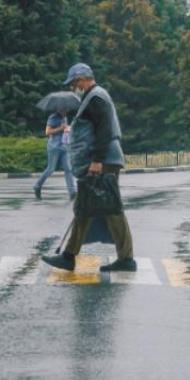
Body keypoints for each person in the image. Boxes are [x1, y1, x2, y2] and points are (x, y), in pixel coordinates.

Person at [41, 63, 137, 273]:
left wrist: (97, 161)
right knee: (86, 207)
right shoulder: (92, 97)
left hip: (103, 161)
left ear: (82, 80)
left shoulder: (96, 97)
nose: (73, 88)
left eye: (74, 83)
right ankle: (69, 256)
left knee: (110, 208)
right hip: (101, 160)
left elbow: (104, 130)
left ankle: (125, 258)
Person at [33, 108, 76, 201]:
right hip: (54, 147)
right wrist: (60, 128)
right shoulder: (53, 117)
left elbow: (65, 131)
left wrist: (68, 129)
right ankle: (37, 185)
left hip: (64, 147)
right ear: (59, 109)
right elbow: (47, 132)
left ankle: (72, 192)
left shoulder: (65, 118)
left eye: (66, 110)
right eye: (64, 110)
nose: (66, 112)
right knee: (51, 169)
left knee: (68, 169)